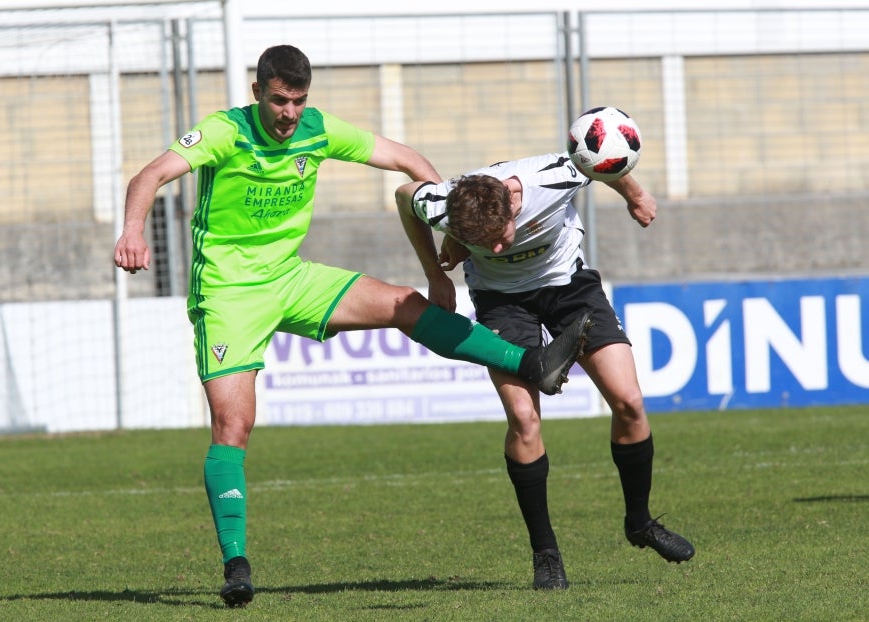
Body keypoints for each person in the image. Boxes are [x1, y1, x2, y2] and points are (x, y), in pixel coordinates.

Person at [114, 45, 590, 608]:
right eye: (279, 100)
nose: (289, 113)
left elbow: (408, 160)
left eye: (298, 101)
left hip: (291, 278)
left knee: (405, 304)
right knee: (233, 425)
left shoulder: (318, 130)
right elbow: (151, 174)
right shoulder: (224, 132)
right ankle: (237, 564)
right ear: (258, 92)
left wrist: (448, 242)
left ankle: (532, 363)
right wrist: (132, 230)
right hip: (228, 294)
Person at [395, 152, 695, 590]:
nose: (496, 248)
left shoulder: (552, 178)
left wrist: (636, 195)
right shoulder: (444, 204)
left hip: (569, 289)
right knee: (523, 417)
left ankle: (640, 522)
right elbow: (405, 195)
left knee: (629, 402)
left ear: (513, 205)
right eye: (484, 244)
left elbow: (602, 162)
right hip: (501, 302)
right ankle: (546, 554)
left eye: (500, 238)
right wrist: (435, 275)